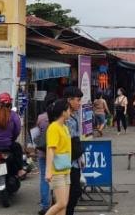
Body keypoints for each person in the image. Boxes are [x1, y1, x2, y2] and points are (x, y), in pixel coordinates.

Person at [45, 99, 72, 215]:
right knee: (61, 203)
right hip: (56, 171)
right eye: (68, 109)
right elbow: (51, 149)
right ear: (63, 112)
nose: (70, 111)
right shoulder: (53, 127)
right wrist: (48, 171)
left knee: (63, 207)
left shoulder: (64, 127)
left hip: (66, 169)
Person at [36, 93, 58, 215]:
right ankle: (57, 202)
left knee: (44, 179)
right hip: (56, 154)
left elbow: (38, 133)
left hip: (43, 153)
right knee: (58, 178)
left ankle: (45, 205)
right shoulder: (59, 118)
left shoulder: (41, 118)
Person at [63, 87, 84, 215]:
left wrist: (80, 158)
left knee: (75, 192)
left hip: (75, 160)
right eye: (78, 100)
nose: (79, 103)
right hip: (65, 162)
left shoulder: (75, 114)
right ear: (69, 100)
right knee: (67, 196)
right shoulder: (62, 117)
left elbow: (76, 139)